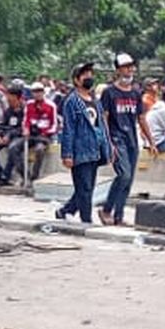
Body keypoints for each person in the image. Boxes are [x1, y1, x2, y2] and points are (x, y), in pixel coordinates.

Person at [100, 53, 158, 226]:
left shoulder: (135, 92)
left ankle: (119, 216)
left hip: (131, 139)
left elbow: (141, 118)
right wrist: (107, 142)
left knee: (129, 180)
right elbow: (104, 118)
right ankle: (106, 209)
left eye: (131, 66)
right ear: (118, 70)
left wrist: (151, 141)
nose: (129, 70)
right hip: (116, 139)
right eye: (125, 67)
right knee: (123, 175)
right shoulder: (109, 92)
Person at [56, 62, 111, 222]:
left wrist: (107, 148)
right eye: (85, 75)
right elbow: (69, 129)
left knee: (86, 187)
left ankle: (66, 210)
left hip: (95, 150)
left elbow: (101, 125)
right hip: (80, 150)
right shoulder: (72, 102)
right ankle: (86, 220)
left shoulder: (95, 100)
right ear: (76, 80)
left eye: (90, 74)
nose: (89, 77)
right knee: (85, 188)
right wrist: (67, 154)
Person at [8, 81, 57, 184]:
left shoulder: (51, 105)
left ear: (43, 92)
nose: (37, 94)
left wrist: (45, 132)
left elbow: (54, 125)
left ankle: (35, 176)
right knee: (13, 147)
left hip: (44, 136)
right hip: (30, 135)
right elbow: (25, 120)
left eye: (39, 91)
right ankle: (25, 174)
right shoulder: (29, 104)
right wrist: (26, 129)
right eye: (35, 91)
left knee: (39, 150)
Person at [0, 81, 26, 185]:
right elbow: (1, 125)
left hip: (18, 136)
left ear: (19, 98)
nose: (10, 102)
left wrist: (9, 136)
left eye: (12, 100)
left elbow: (23, 127)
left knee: (13, 148)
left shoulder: (25, 111)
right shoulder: (8, 111)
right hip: (6, 136)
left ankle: (6, 174)